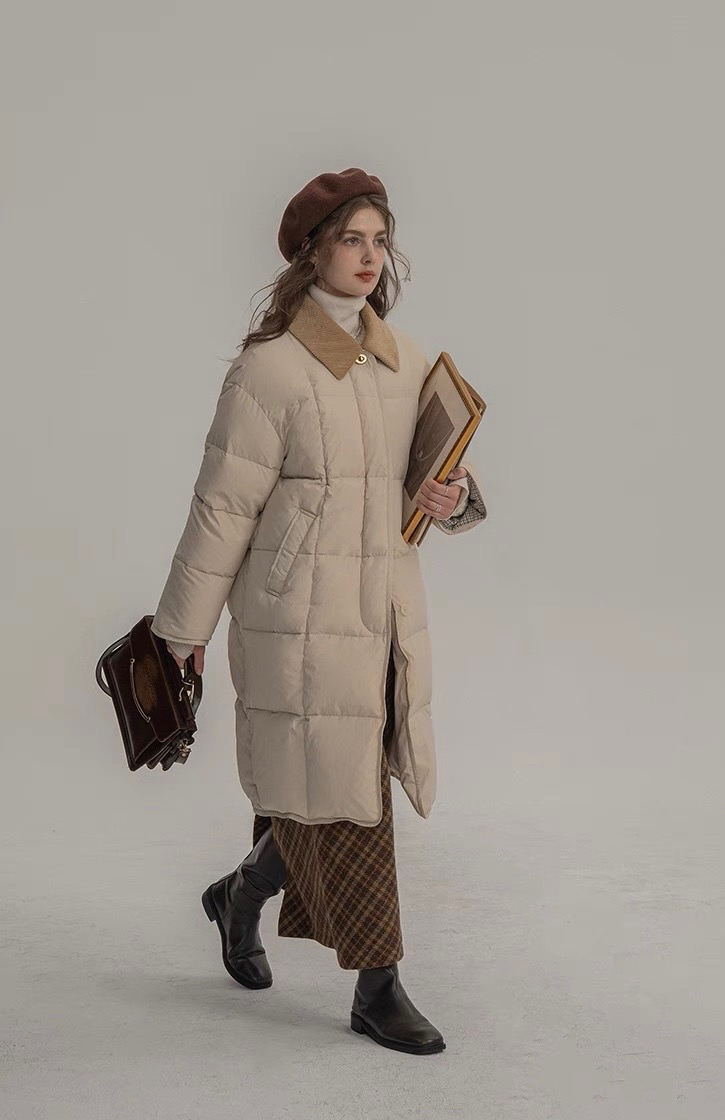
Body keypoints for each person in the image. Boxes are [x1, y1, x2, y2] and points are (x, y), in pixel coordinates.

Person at [150, 167, 488, 1055]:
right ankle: (379, 987)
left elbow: (432, 475)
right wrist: (181, 632)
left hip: (383, 611)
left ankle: (239, 895)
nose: (369, 257)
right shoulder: (269, 370)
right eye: (351, 240)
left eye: (380, 240)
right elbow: (222, 508)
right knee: (348, 795)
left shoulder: (405, 358)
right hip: (295, 618)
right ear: (312, 253)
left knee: (329, 786)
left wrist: (453, 496)